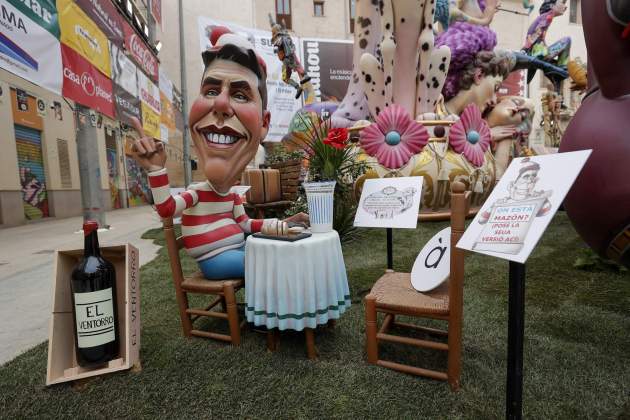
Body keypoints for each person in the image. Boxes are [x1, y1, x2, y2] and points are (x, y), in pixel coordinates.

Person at [130, 28, 307, 280]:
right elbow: (167, 209)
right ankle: (271, 317)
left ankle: (273, 314)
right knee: (268, 263)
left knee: (276, 250)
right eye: (211, 91)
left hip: (238, 248)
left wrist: (286, 224)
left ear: (264, 124)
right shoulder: (197, 193)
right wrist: (157, 170)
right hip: (215, 259)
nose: (221, 104)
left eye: (239, 94)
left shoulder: (232, 196)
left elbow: (247, 225)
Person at [269, 15, 310, 99]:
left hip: (286, 59)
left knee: (289, 74)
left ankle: (301, 81)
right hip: (290, 56)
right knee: (289, 74)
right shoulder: (287, 35)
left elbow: (277, 48)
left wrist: (276, 49)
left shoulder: (279, 38)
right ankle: (298, 87)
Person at [522, 0, 571, 69]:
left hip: (537, 51)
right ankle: (562, 66)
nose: (566, 7)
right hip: (538, 53)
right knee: (567, 40)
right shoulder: (547, 17)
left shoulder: (546, 17)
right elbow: (536, 33)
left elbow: (539, 36)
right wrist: (526, 49)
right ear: (552, 6)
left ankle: (561, 66)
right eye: (563, 2)